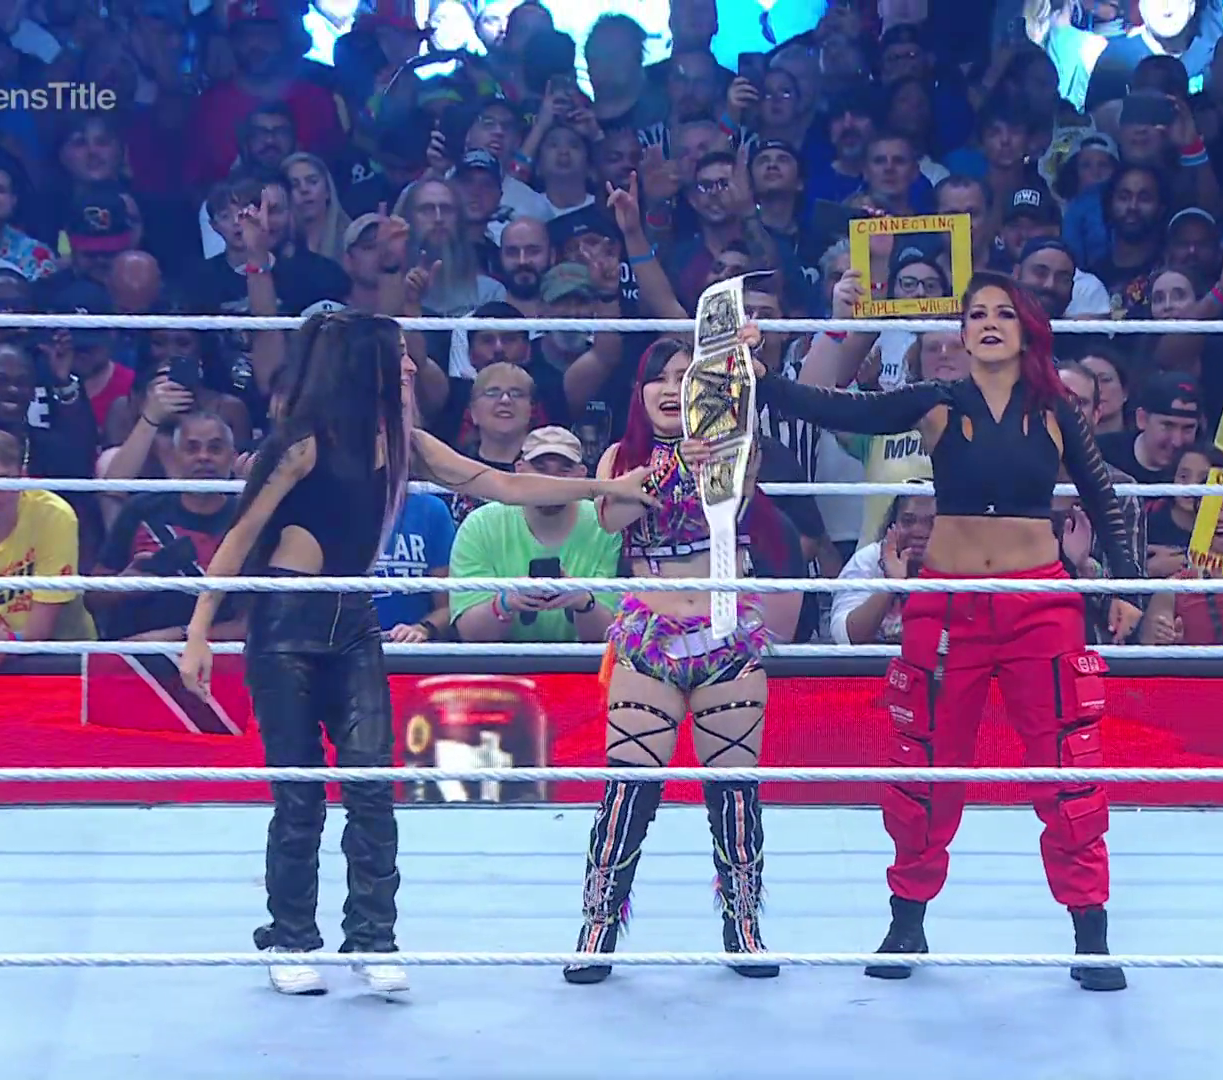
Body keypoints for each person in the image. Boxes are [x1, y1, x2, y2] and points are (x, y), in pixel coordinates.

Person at [177, 312, 654, 999]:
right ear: (365, 364)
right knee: (300, 793)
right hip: (286, 625)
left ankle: (373, 938)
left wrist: (604, 488)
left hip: (354, 622)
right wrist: (198, 630)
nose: (409, 366)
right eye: (398, 355)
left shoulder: (406, 443)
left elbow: (504, 484)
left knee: (372, 784)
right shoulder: (304, 445)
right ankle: (290, 937)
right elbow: (240, 534)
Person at [751, 271, 1141, 991]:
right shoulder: (936, 402)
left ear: (1026, 329)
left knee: (1066, 764)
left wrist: (1125, 587)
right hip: (948, 606)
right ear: (961, 332)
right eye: (976, 313)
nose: (988, 323)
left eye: (1003, 313)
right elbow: (839, 406)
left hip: (1038, 607)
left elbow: (1102, 496)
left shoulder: (1056, 410)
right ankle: (907, 919)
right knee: (924, 763)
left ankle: (1091, 930)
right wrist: (760, 375)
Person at [564, 336, 798, 985]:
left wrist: (738, 376)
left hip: (726, 636)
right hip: (650, 639)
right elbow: (611, 518)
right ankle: (597, 927)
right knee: (627, 789)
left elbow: (740, 488)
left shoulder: (734, 449)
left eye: (684, 377)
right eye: (659, 378)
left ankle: (743, 926)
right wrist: (669, 464)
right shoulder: (621, 456)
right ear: (639, 392)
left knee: (735, 790)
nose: (671, 389)